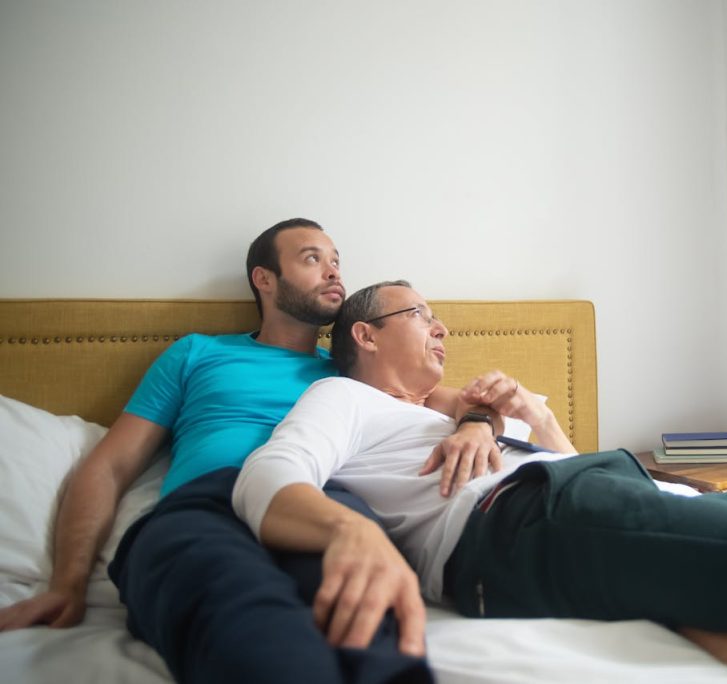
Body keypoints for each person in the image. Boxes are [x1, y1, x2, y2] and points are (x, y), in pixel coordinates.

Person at [233, 280, 727, 684]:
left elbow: (574, 458)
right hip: (530, 524)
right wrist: (351, 531)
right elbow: (266, 477)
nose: (442, 328)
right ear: (364, 334)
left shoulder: (467, 408)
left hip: (610, 493)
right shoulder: (342, 398)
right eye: (421, 313)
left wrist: (520, 419)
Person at [0, 221, 504, 684]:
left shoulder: (358, 367)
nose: (333, 271)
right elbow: (108, 467)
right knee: (242, 623)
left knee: (371, 623)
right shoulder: (198, 354)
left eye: (336, 260)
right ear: (264, 279)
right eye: (312, 259)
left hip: (319, 506)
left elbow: (467, 403)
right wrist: (66, 583)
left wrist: (477, 425)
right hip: (205, 506)